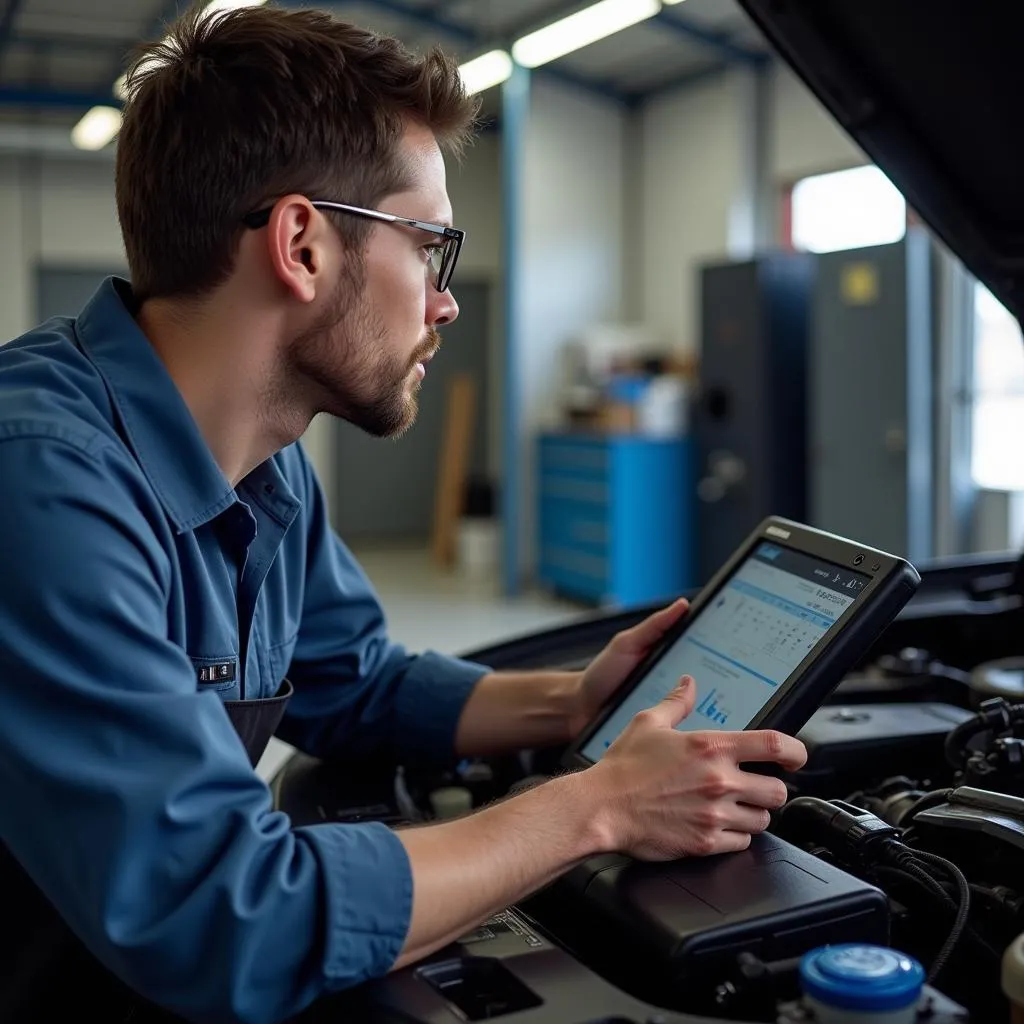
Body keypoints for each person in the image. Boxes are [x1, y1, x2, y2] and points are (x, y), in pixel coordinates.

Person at [0, 4, 807, 1023]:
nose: (446, 301)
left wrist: (578, 704)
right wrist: (597, 806)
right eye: (430, 245)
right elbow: (222, 914)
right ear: (301, 244)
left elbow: (359, 684)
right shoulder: (40, 482)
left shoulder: (267, 469)